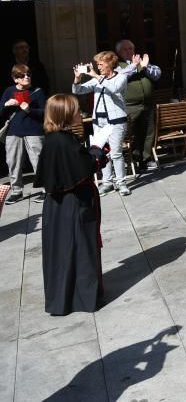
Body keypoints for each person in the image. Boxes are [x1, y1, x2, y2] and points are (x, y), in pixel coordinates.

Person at [35, 94, 104, 316]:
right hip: (75, 204)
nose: (79, 113)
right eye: (75, 110)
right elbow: (83, 169)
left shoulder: (53, 140)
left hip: (56, 207)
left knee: (61, 251)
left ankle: (61, 299)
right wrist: (97, 154)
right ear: (65, 115)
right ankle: (83, 299)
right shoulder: (65, 142)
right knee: (80, 248)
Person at [72, 51, 137, 196]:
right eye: (97, 65)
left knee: (116, 153)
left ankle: (121, 183)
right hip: (98, 121)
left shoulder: (121, 77)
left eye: (101, 64)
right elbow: (78, 90)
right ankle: (107, 183)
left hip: (116, 121)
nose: (98, 67)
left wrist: (95, 75)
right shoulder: (97, 79)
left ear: (110, 64)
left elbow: (113, 88)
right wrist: (77, 78)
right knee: (101, 153)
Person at [115, 40, 162, 174]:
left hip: (147, 104)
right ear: (119, 52)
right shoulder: (118, 66)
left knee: (148, 132)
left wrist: (145, 67)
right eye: (125, 49)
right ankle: (135, 159)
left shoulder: (143, 62)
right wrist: (135, 66)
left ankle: (146, 159)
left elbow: (157, 74)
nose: (129, 51)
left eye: (131, 48)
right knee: (134, 134)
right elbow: (119, 78)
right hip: (130, 106)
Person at [2, 64, 46, 204]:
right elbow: (1, 112)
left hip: (34, 131)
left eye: (28, 74)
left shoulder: (38, 91)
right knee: (13, 162)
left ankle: (46, 189)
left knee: (38, 161)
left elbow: (45, 113)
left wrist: (30, 110)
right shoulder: (9, 91)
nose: (26, 77)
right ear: (15, 79)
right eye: (22, 75)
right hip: (13, 132)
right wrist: (6, 105)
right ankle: (16, 191)